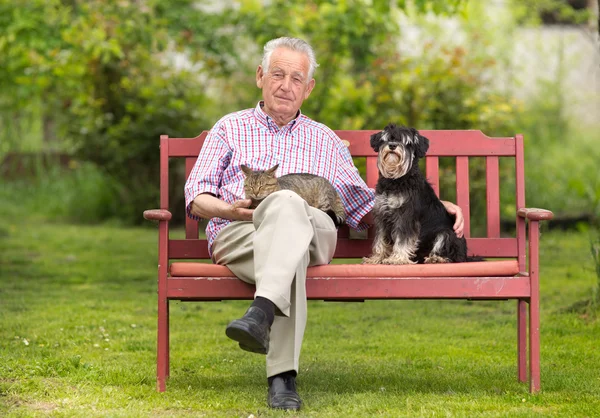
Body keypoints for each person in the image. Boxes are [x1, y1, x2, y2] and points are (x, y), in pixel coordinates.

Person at [184, 36, 464, 411]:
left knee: (286, 203)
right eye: (277, 74)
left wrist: (432, 204)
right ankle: (281, 376)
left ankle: (260, 314)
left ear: (309, 88)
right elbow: (195, 197)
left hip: (315, 232)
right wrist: (233, 212)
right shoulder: (228, 128)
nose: (286, 85)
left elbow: (367, 204)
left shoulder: (326, 139)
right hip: (241, 234)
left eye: (296, 78)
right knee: (290, 251)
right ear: (260, 76)